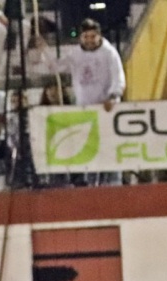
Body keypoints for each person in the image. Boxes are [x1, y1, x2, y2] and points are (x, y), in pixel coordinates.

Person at [51, 18, 125, 186]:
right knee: (89, 149)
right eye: (86, 37)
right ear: (81, 38)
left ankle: (113, 182)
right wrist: (42, 52)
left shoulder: (109, 53)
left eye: (93, 36)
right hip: (84, 110)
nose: (90, 40)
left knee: (109, 148)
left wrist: (113, 97)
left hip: (105, 109)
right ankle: (91, 183)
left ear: (99, 36)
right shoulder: (75, 53)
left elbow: (118, 77)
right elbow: (56, 67)